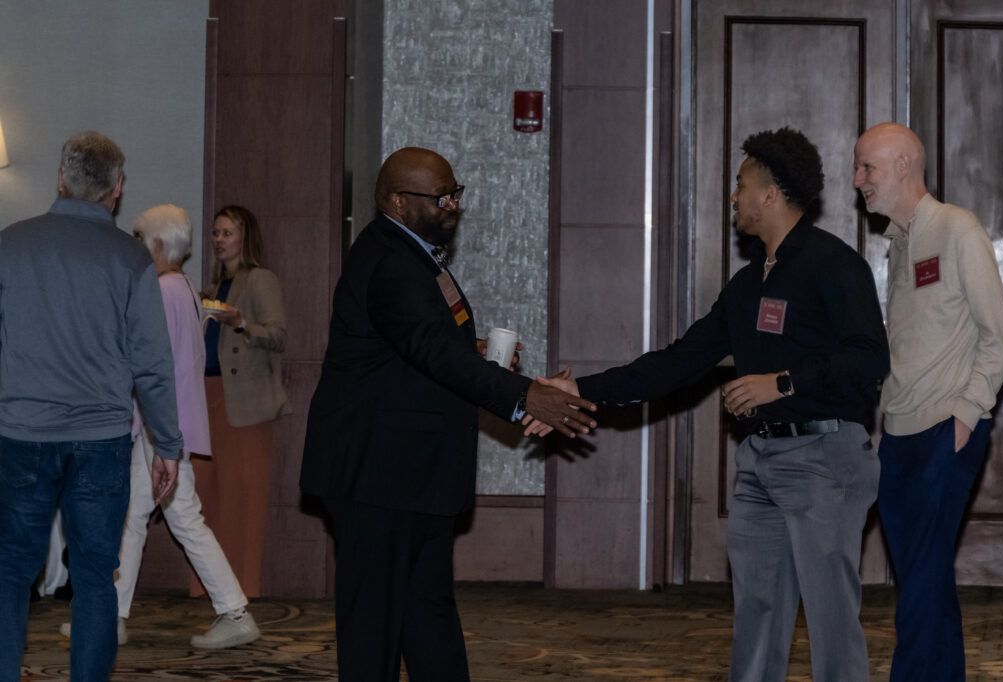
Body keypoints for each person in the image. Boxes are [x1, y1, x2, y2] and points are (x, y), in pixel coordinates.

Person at [531, 128, 890, 681]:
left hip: (824, 462)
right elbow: (680, 360)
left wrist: (783, 383)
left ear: (770, 194)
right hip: (760, 463)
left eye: (741, 184)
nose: (733, 196)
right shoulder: (748, 284)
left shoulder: (834, 265)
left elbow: (869, 358)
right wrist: (581, 390)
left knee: (831, 620)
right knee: (757, 615)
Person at [300, 146, 597, 681]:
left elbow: (420, 345)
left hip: (410, 476)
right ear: (398, 201)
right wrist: (525, 395)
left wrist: (475, 351)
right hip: (376, 476)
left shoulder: (415, 254)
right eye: (441, 197)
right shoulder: (390, 261)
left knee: (427, 614)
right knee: (374, 630)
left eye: (455, 193)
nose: (453, 206)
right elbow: (432, 350)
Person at [0, 131, 181, 681]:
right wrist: (168, 444)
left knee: (9, 574)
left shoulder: (10, 245)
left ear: (60, 178)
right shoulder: (130, 258)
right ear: (117, 188)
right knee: (97, 579)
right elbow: (153, 362)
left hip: (21, 433)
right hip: (100, 440)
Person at [853, 122, 1003, 681]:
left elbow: (998, 338)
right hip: (898, 435)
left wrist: (966, 415)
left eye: (867, 167)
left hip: (947, 430)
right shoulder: (899, 243)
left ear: (903, 166)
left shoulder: (957, 229)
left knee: (920, 587)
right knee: (926, 581)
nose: (858, 180)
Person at [58, 205, 260, 649]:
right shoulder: (183, 287)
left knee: (182, 516)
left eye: (139, 239)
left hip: (162, 423)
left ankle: (234, 611)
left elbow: (150, 363)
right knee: (133, 515)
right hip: (166, 420)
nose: (136, 246)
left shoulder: (162, 290)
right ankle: (111, 616)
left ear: (157, 244)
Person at [192, 205, 291, 599]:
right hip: (206, 395)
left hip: (245, 402)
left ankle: (242, 583)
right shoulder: (214, 286)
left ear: (244, 237)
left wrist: (241, 323)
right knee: (206, 493)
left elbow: (278, 335)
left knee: (242, 496)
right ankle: (209, 583)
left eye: (227, 233)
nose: (219, 240)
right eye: (215, 233)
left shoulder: (260, 279)